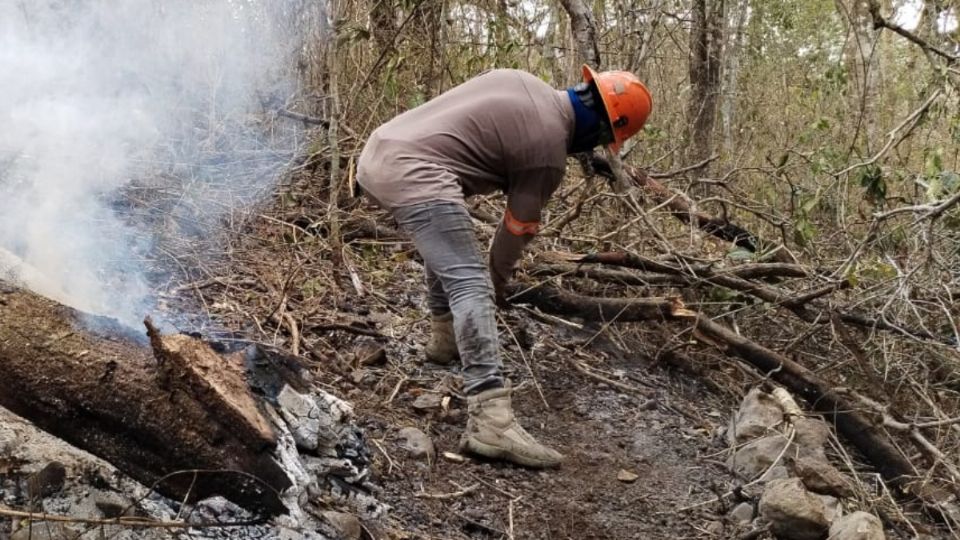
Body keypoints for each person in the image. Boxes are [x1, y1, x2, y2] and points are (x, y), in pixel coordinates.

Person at [357, 65, 652, 468]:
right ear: (601, 129)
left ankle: (445, 342)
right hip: (414, 171)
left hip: (379, 151)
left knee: (449, 240)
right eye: (604, 140)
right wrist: (493, 285)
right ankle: (490, 417)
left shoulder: (522, 80)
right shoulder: (548, 153)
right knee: (470, 281)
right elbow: (516, 230)